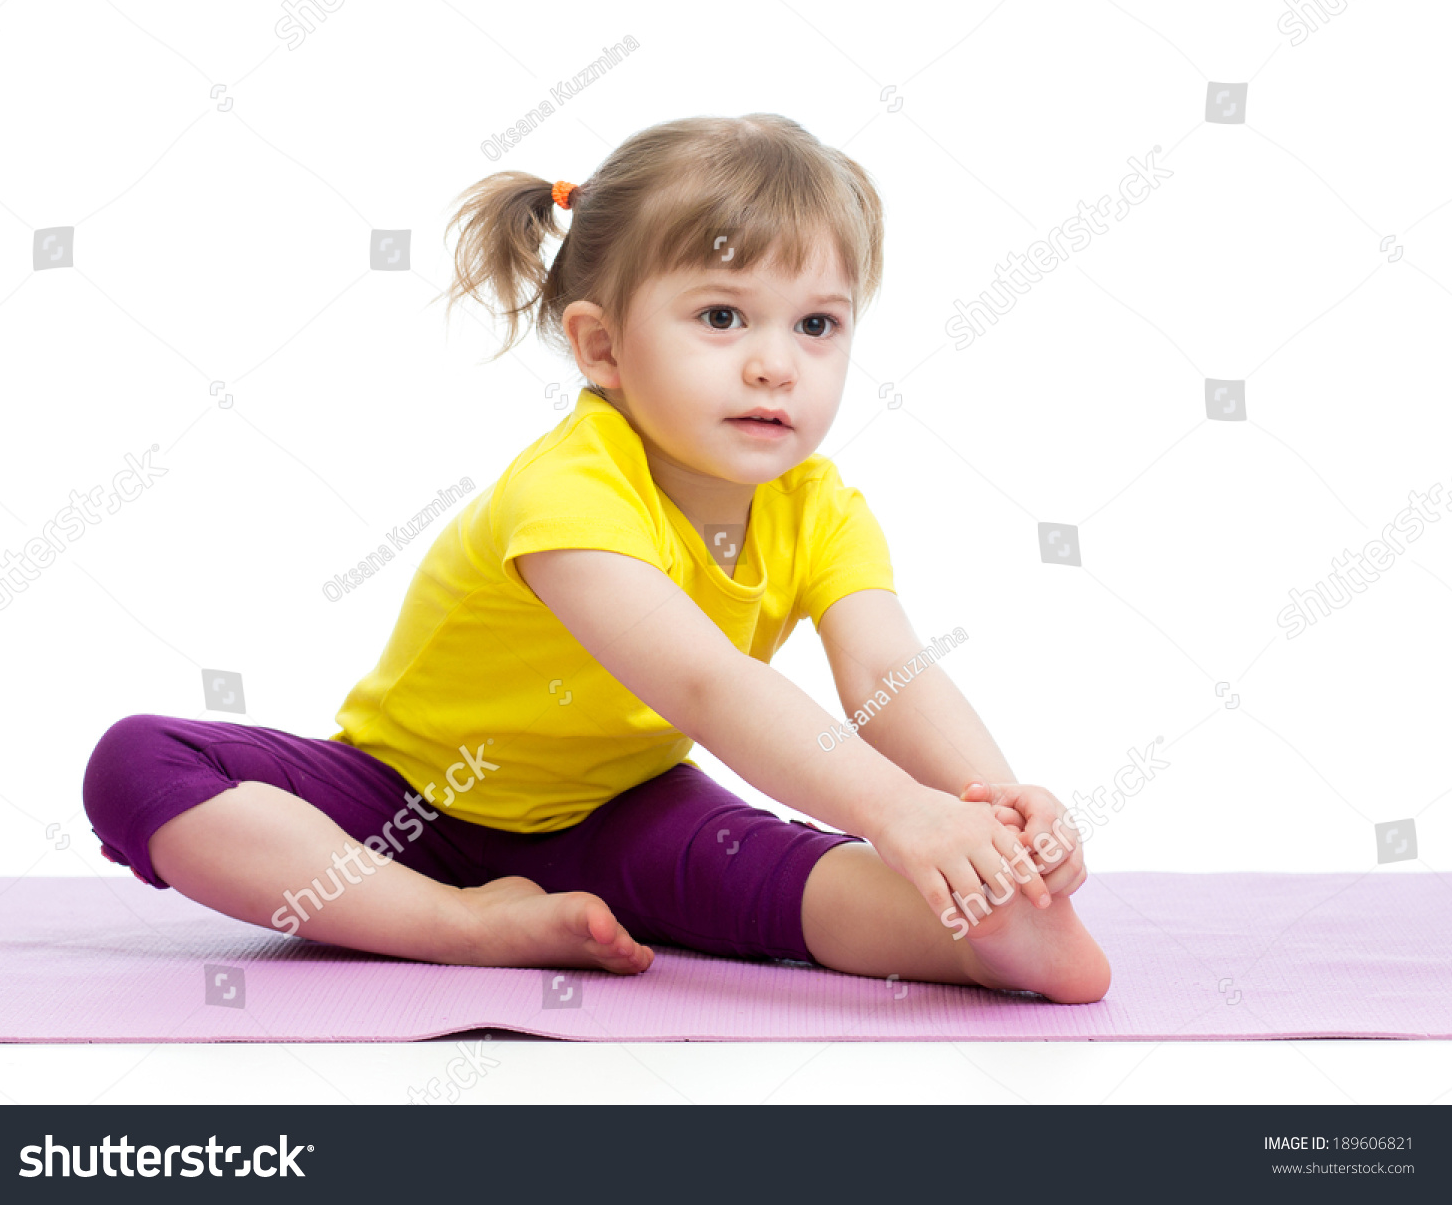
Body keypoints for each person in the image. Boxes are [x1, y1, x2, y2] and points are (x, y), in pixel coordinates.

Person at [84, 113, 1109, 1002]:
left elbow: (889, 674)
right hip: (404, 804)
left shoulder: (820, 508)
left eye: (817, 324)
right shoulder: (569, 492)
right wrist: (901, 811)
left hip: (623, 817)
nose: (774, 361)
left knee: (817, 876)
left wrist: (996, 811)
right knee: (136, 764)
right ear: (602, 347)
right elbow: (710, 685)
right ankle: (459, 926)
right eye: (720, 316)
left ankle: (982, 940)